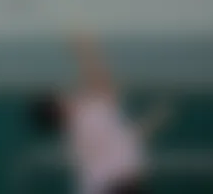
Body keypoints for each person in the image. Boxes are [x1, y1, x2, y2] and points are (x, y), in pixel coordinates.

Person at [29, 34, 149, 194]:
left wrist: (84, 51)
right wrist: (85, 49)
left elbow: (98, 85)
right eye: (59, 97)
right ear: (60, 107)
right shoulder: (89, 118)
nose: (65, 94)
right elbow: (101, 81)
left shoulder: (74, 134)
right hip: (117, 187)